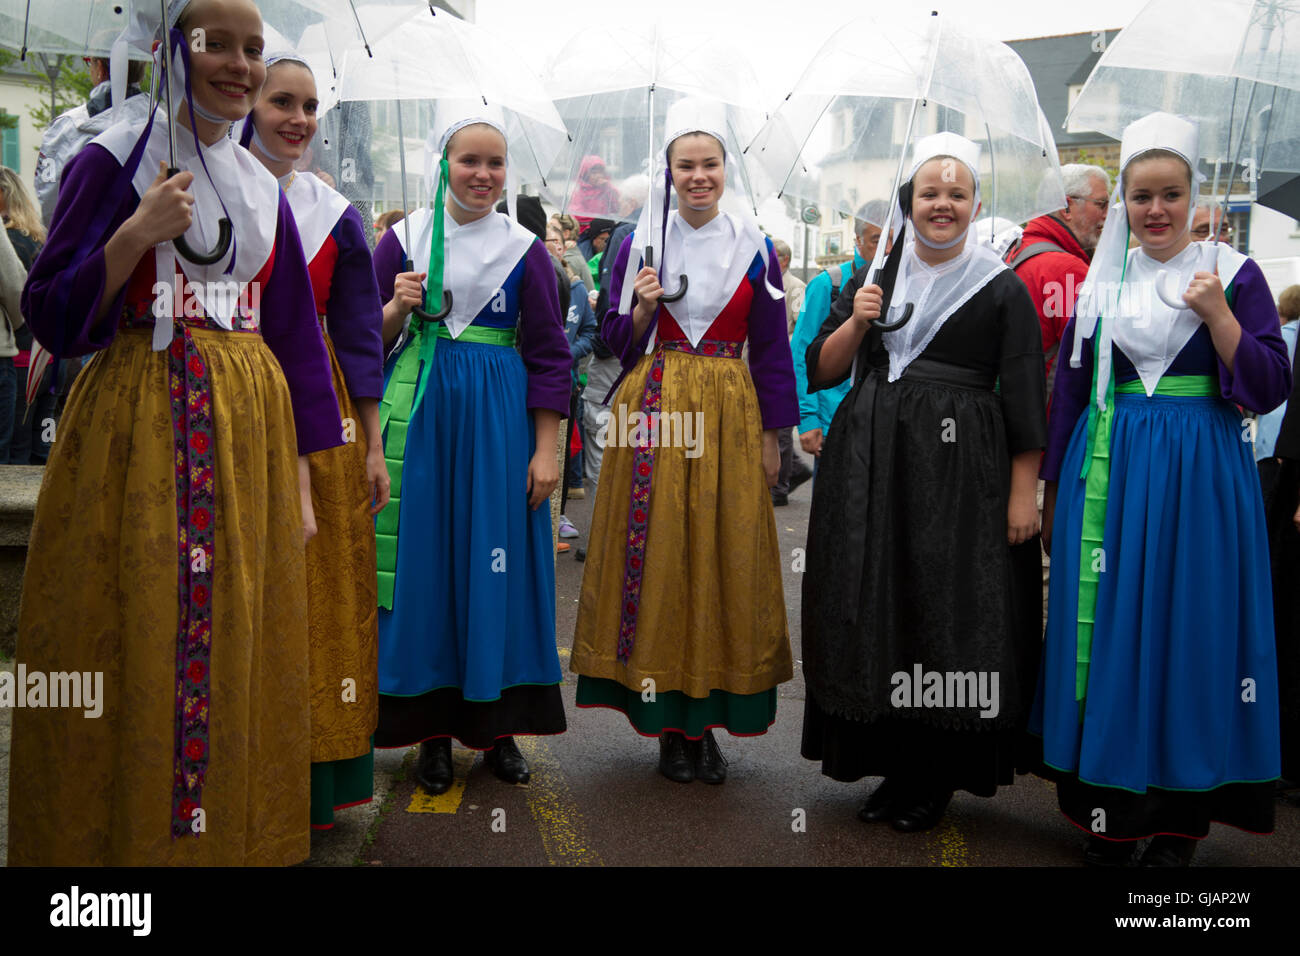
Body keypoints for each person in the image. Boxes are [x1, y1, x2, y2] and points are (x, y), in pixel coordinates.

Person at [8, 0, 341, 865]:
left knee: (232, 627)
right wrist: (132, 236)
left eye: (252, 50)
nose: (239, 64)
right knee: (139, 626)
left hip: (248, 434)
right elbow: (49, 313)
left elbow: (298, 341)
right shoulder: (113, 158)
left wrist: (303, 480)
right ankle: (125, 853)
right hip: (142, 423)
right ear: (170, 48)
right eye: (218, 44)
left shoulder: (263, 187)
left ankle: (224, 837)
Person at [1032, 112, 1292, 867]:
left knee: (1191, 634)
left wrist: (1217, 317)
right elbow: (1070, 398)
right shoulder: (1100, 281)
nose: (1155, 210)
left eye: (1170, 194)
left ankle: (1178, 824)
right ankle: (1111, 813)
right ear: (1120, 201)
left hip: (1202, 476)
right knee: (1109, 633)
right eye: (1140, 195)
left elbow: (1272, 384)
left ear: (1191, 194)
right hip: (1109, 475)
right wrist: (1053, 492)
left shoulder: (1234, 276)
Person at [800, 132, 1047, 833]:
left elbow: (1028, 391)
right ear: (910, 202)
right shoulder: (879, 270)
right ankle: (890, 762)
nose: (943, 204)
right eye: (930, 193)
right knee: (873, 601)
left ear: (974, 204)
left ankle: (933, 776)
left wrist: (1024, 488)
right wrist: (857, 317)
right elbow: (822, 366)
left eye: (957, 193)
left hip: (959, 472)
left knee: (942, 609)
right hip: (869, 459)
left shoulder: (1000, 284)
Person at [571, 97, 798, 785]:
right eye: (685, 166)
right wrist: (639, 307)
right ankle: (669, 724)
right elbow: (611, 344)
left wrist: (773, 441)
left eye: (709, 165)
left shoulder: (755, 248)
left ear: (725, 169)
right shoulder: (636, 244)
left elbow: (772, 351)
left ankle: (707, 723)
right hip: (658, 406)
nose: (698, 177)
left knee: (724, 555)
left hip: (732, 410)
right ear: (667, 171)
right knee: (659, 552)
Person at [371, 100, 571, 794]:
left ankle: (498, 730)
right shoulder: (402, 242)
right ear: (443, 165)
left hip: (496, 423)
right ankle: (429, 735)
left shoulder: (527, 252)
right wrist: (395, 307)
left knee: (499, 571)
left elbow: (550, 356)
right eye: (469, 160)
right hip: (419, 416)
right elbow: (364, 341)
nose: (483, 173)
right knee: (425, 571)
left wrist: (545, 452)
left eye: (494, 162)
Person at [246, 52, 388, 831]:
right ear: (248, 105)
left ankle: (310, 775)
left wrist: (370, 443)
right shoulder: (204, 190)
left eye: (308, 107)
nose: (297, 120)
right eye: (281, 102)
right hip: (228, 399)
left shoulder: (335, 214)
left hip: (320, 410)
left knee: (318, 585)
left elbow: (361, 336)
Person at [790, 201, 888, 465]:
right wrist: (808, 418)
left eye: (894, 240)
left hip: (883, 423)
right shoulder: (828, 284)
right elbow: (801, 353)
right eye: (876, 240)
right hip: (833, 420)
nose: (886, 250)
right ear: (857, 240)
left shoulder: (904, 285)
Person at [1004, 163, 1111, 388]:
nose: (1108, 215)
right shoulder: (1066, 269)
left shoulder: (1017, 251)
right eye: (1102, 204)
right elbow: (1091, 358)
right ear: (1066, 207)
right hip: (1052, 412)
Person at [34, 54, 151, 227]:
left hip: (85, 243)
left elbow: (49, 192)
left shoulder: (66, 127)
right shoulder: (164, 122)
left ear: (100, 69)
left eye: (89, 62)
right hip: (153, 241)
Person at [0, 166, 44, 462]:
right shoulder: (36, 239)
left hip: (20, 356)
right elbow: (16, 289)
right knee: (31, 450)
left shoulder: (11, 236)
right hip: (39, 354)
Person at [769, 237, 812, 505]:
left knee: (781, 431)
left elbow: (803, 328)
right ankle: (795, 470)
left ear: (784, 259)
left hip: (782, 365)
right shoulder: (764, 284)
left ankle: (779, 489)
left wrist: (780, 344)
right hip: (761, 365)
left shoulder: (797, 288)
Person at [570, 155, 620, 231]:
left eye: (601, 172)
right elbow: (577, 214)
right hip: (586, 230)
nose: (598, 176)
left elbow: (618, 205)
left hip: (606, 229)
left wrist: (608, 187)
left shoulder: (607, 189)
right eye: (594, 173)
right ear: (586, 175)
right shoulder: (580, 193)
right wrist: (599, 219)